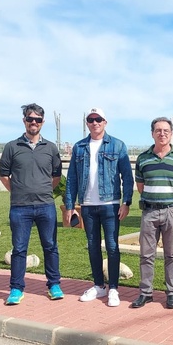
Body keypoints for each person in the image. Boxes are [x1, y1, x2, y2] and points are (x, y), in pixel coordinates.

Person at [64, 107, 133, 307]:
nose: (95, 123)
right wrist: (70, 206)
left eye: (98, 119)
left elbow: (127, 177)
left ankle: (113, 288)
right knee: (93, 246)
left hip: (110, 204)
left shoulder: (118, 146)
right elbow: (72, 180)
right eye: (91, 119)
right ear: (87, 123)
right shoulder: (79, 147)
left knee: (112, 247)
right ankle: (98, 285)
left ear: (105, 122)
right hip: (88, 206)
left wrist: (126, 202)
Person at [0, 103, 64, 305]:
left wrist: (42, 191)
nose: (33, 122)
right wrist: (20, 191)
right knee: (19, 249)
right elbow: (4, 176)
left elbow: (56, 176)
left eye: (37, 119)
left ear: (43, 122)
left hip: (45, 205)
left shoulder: (51, 148)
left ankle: (54, 284)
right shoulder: (12, 147)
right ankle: (16, 289)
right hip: (20, 207)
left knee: (50, 246)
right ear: (24, 121)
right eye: (30, 119)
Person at [132, 118, 173, 309]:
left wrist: (170, 201)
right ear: (152, 133)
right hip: (149, 212)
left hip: (171, 211)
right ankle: (146, 293)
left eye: (166, 130)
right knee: (146, 254)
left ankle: (172, 293)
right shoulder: (143, 158)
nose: (162, 133)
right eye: (158, 130)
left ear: (171, 133)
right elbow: (141, 187)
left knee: (172, 254)